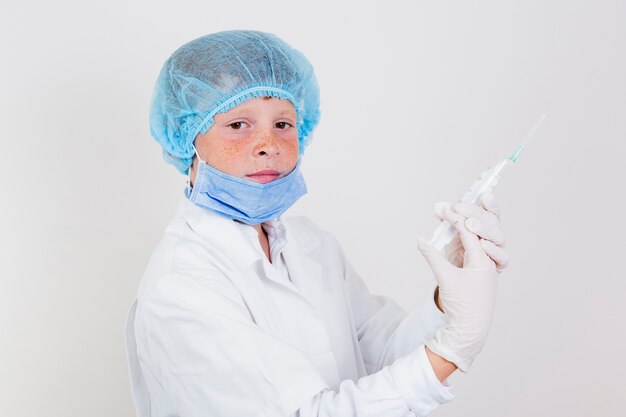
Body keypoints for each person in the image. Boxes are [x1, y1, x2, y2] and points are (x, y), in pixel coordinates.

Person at [124, 30, 509, 417]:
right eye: (238, 124)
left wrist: (448, 302)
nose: (268, 144)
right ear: (187, 137)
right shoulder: (182, 284)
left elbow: (381, 358)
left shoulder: (311, 243)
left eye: (283, 124)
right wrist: (451, 350)